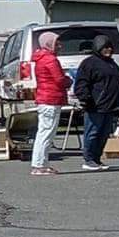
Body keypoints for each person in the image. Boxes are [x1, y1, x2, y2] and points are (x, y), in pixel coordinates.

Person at [72, 39, 119, 172]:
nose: (108, 50)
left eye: (110, 48)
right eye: (105, 48)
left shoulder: (112, 64)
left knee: (104, 134)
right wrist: (85, 98)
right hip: (95, 105)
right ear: (98, 48)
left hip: (110, 106)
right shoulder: (89, 63)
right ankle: (88, 159)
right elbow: (81, 83)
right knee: (92, 133)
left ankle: (96, 158)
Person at [28, 31, 68, 176]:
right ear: (49, 43)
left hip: (45, 99)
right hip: (50, 100)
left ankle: (42, 164)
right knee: (46, 134)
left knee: (44, 133)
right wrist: (69, 80)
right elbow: (59, 79)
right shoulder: (50, 59)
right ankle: (39, 165)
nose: (59, 46)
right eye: (56, 43)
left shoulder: (41, 58)